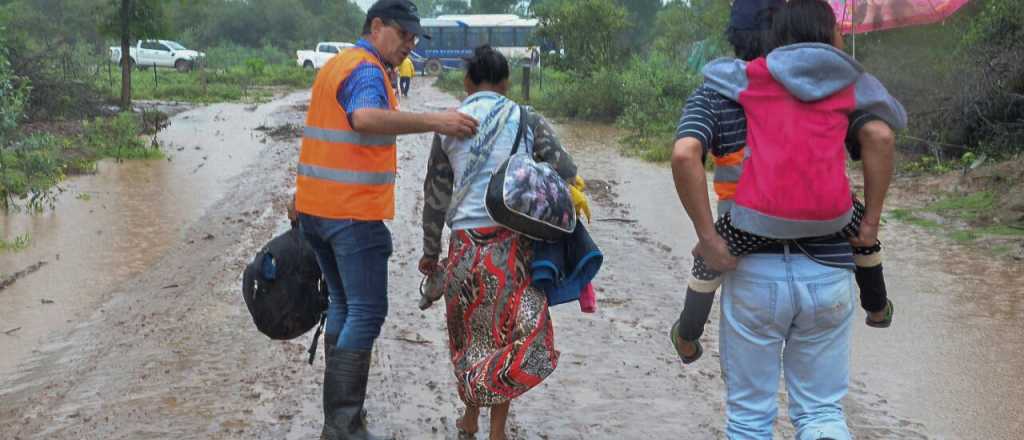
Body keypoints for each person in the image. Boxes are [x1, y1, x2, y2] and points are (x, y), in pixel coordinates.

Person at [669, 1, 900, 438]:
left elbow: (685, 154)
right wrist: (869, 223)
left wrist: (707, 236)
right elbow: (880, 134)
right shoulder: (835, 89)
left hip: (749, 264)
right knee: (821, 413)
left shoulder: (723, 89)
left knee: (750, 419)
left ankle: (687, 334)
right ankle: (878, 305)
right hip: (829, 263)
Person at [291, 1, 478, 438]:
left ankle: (340, 421)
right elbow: (364, 118)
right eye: (404, 35)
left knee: (343, 305)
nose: (410, 45)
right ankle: (343, 427)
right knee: (367, 311)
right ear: (376, 27)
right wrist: (437, 120)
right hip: (351, 215)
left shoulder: (341, 62)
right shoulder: (365, 70)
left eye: (415, 38)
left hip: (318, 210)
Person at [419, 45, 577, 440]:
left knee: (468, 336)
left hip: (464, 247)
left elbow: (436, 196)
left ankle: (470, 420)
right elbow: (566, 170)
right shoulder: (526, 118)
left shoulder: (449, 125)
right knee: (503, 335)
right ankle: (497, 431)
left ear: (468, 82)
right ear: (506, 83)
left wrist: (430, 254)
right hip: (512, 246)